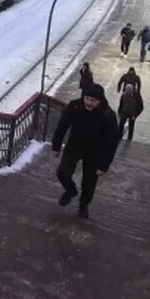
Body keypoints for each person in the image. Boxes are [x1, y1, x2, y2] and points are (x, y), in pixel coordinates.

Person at [51, 83, 120, 219]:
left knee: (89, 182)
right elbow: (62, 125)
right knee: (62, 172)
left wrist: (103, 166)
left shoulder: (108, 115)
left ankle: (84, 205)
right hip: (74, 146)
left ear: (100, 101)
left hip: (95, 152)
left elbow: (111, 143)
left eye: (93, 101)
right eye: (87, 98)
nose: (89, 103)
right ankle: (70, 190)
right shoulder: (75, 106)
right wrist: (56, 146)